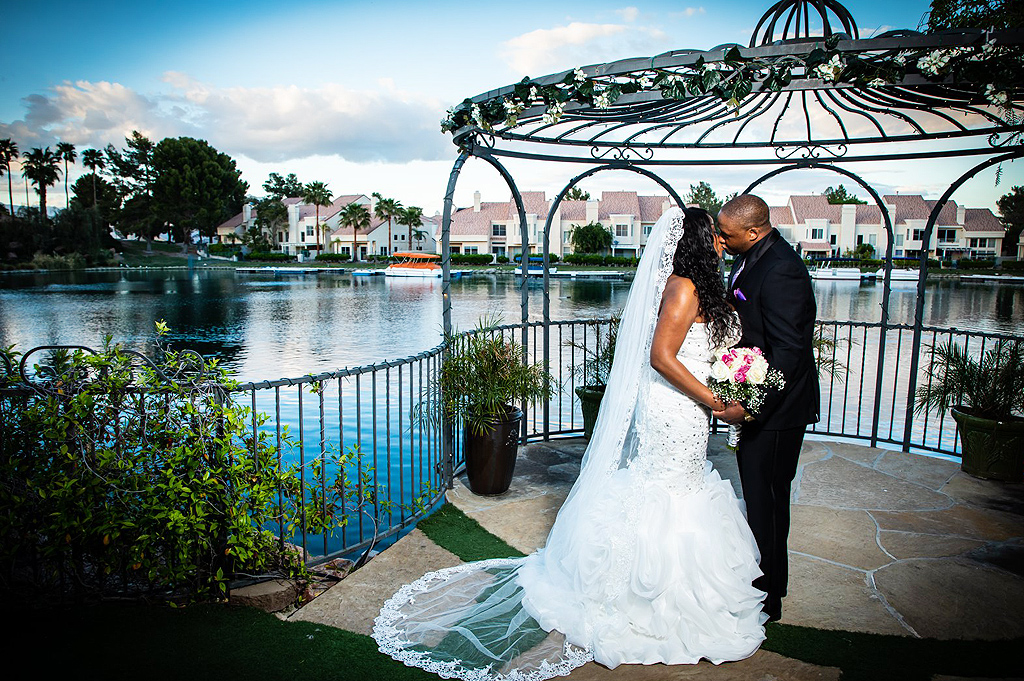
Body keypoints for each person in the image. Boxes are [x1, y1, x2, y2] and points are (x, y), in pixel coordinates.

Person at [372, 206, 768, 680]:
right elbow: (661, 357)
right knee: (663, 487)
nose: (723, 243)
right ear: (700, 243)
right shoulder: (682, 289)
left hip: (691, 409)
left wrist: (736, 378)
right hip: (675, 407)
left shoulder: (702, 289)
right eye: (716, 237)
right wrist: (715, 398)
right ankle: (636, 597)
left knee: (680, 486)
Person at [712, 194, 819, 623]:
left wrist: (750, 408)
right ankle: (765, 580)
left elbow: (789, 352)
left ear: (754, 232)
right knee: (757, 500)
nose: (721, 238)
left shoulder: (783, 270)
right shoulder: (751, 256)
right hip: (759, 397)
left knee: (768, 502)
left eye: (727, 233)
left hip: (778, 412)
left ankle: (769, 595)